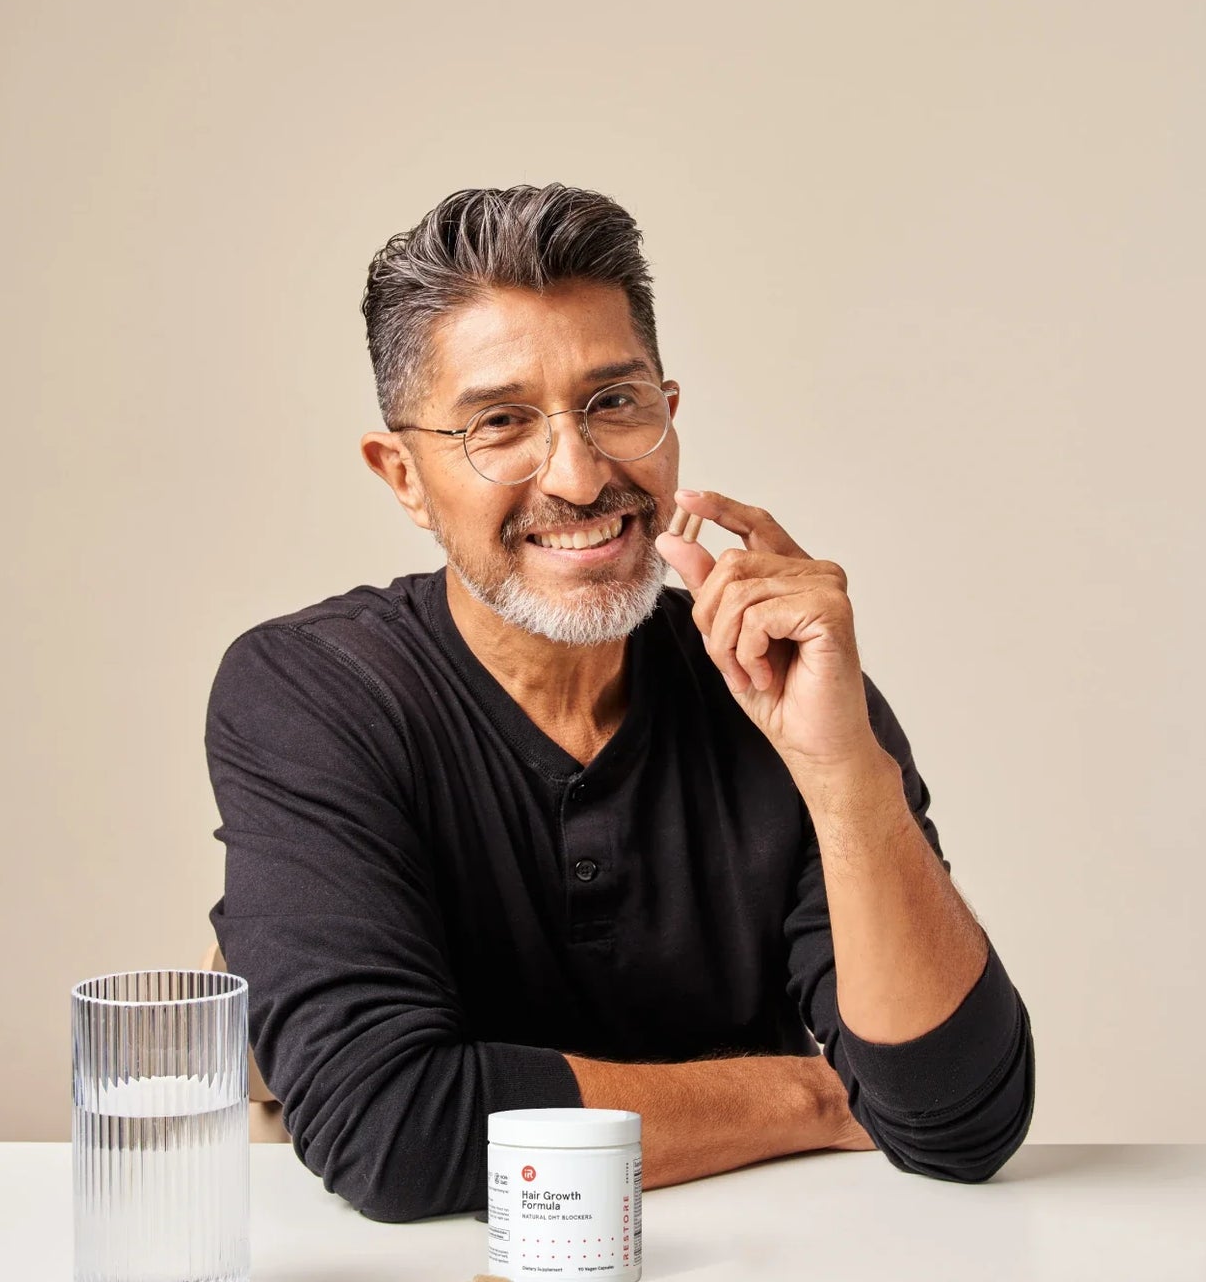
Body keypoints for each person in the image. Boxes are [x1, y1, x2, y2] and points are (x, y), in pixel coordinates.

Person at [205, 183, 1035, 1223]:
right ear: (403, 475)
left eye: (613, 402)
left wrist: (842, 773)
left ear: (667, 415)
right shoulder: (313, 693)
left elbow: (956, 1123)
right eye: (499, 423)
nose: (580, 472)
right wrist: (817, 1094)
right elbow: (394, 1130)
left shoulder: (775, 684)